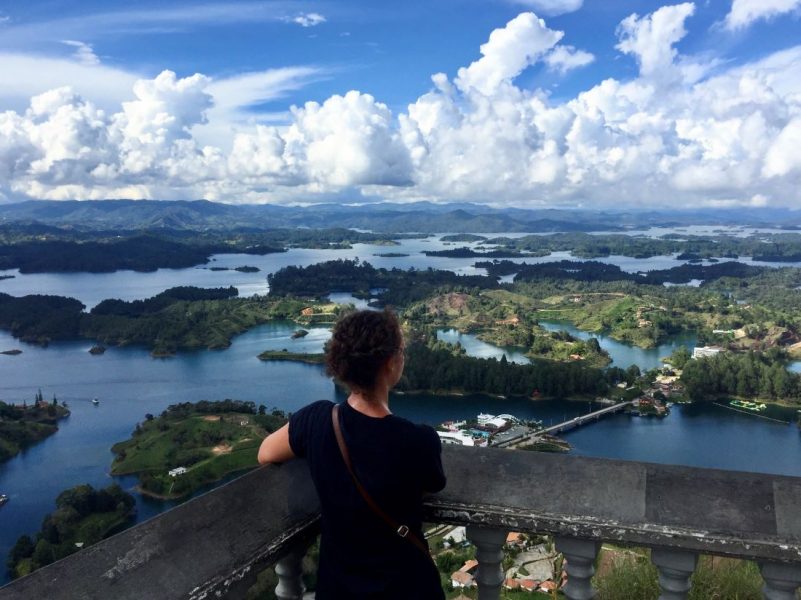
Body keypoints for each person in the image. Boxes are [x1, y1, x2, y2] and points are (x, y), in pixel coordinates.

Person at [258, 309, 446, 599]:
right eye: (401, 350)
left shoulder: (316, 421)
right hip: (406, 588)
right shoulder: (418, 441)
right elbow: (432, 483)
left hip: (339, 589)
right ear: (389, 363)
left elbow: (266, 453)